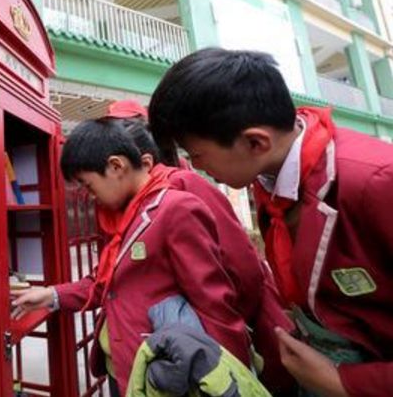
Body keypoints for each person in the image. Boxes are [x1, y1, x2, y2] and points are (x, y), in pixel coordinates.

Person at [147, 47, 393, 397]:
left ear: (255, 141)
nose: (197, 166)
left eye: (196, 154)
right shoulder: (270, 179)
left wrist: (344, 382)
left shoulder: (376, 182)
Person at [16, 118, 251, 396]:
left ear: (116, 166)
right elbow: (107, 284)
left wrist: (232, 382)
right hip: (124, 368)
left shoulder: (175, 208)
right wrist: (51, 295)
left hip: (165, 374)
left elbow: (214, 304)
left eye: (89, 186)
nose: (90, 197)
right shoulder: (125, 215)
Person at [105, 101, 295, 392]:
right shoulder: (127, 202)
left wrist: (220, 331)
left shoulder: (183, 187)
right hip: (141, 357)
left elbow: (242, 271)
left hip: (191, 355)